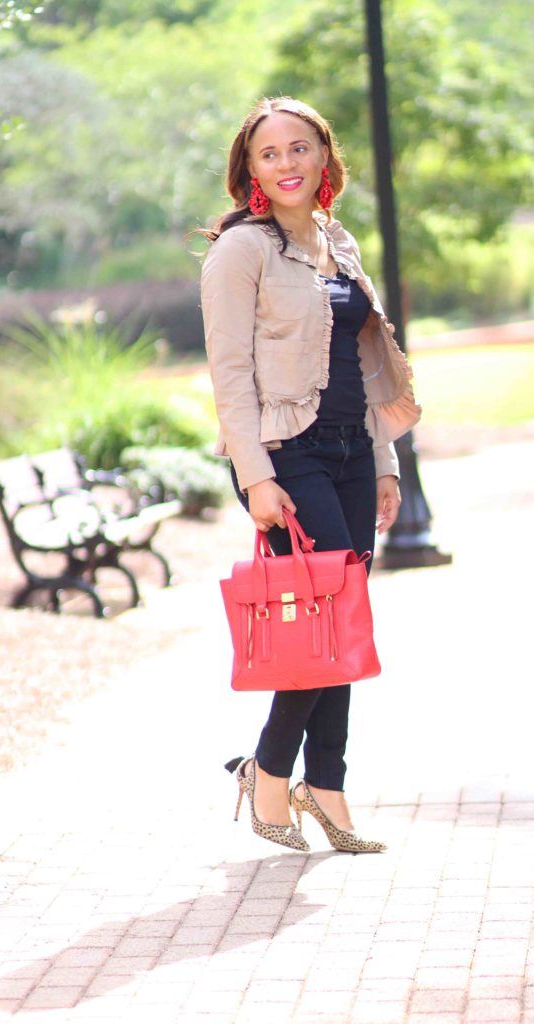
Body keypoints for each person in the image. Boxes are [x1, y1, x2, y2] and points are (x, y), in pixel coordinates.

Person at [200, 97, 421, 854]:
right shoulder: (242, 251)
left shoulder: (338, 241)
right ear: (250, 169)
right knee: (325, 616)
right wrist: (255, 477)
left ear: (324, 157)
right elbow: (228, 373)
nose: (286, 163)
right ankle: (268, 768)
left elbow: (363, 360)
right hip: (285, 452)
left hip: (352, 454)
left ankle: (324, 784)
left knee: (345, 617)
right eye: (270, 153)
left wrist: (385, 461)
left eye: (300, 148)